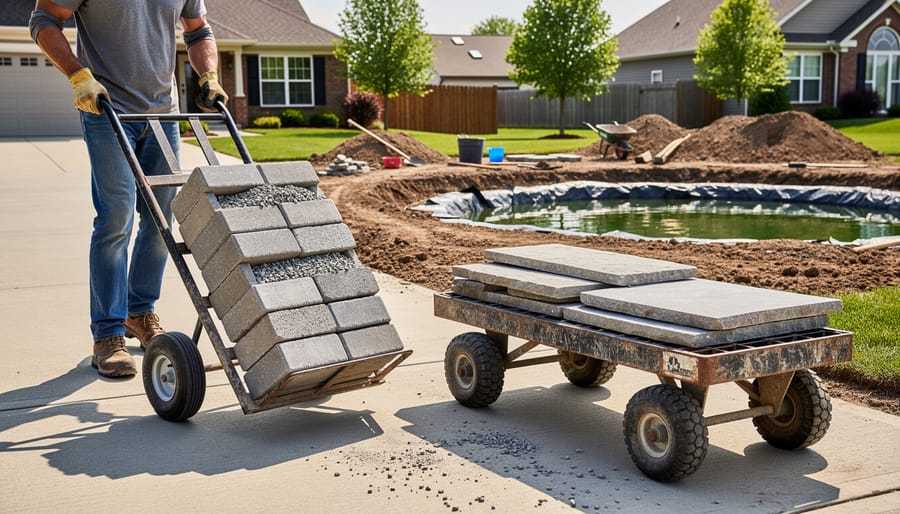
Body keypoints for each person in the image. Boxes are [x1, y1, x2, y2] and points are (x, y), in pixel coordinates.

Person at [29, 0, 228, 377]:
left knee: (160, 221)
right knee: (115, 218)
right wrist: (77, 75)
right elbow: (43, 20)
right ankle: (107, 334)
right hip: (105, 110)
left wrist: (209, 75)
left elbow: (198, 29)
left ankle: (139, 312)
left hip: (163, 114)